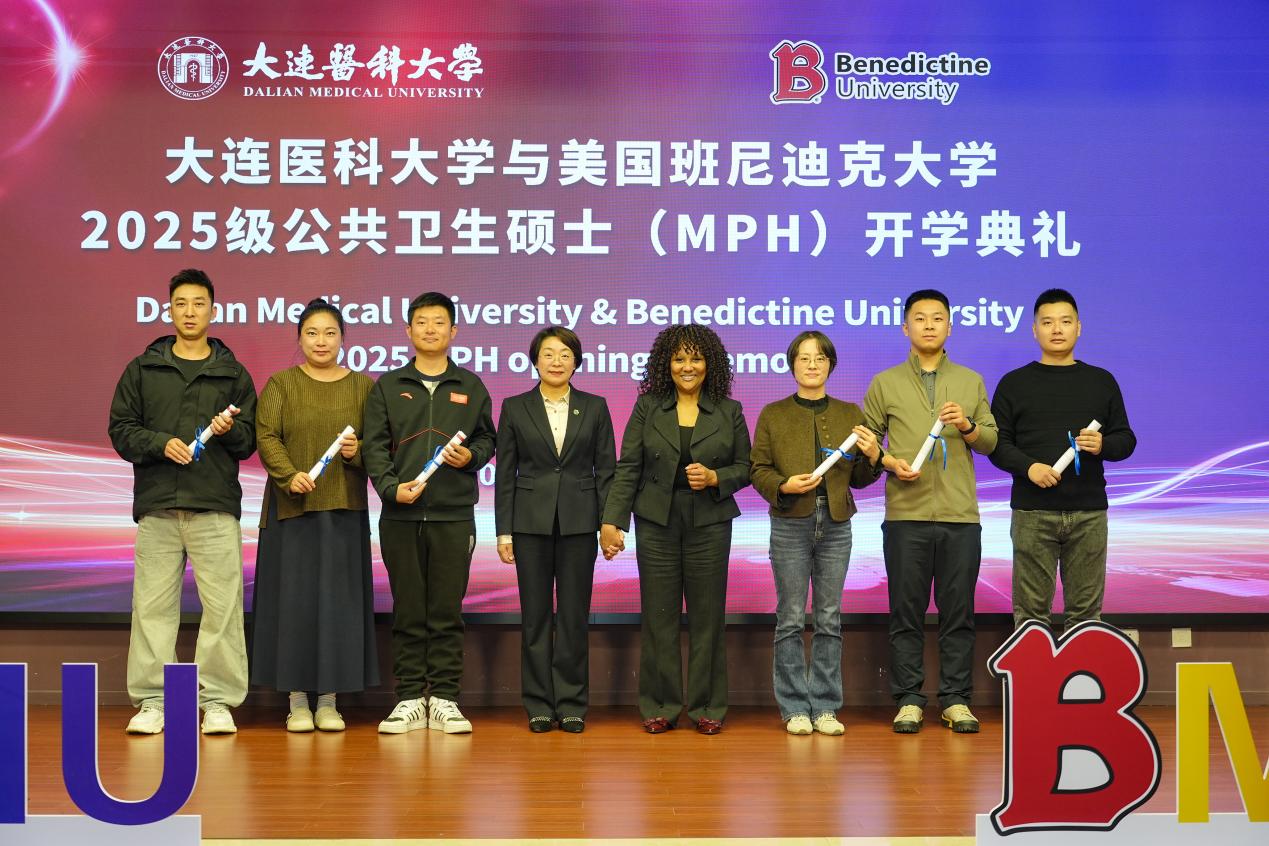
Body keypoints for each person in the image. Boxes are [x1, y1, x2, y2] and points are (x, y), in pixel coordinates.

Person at [108, 268, 256, 735]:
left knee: (223, 610)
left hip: (214, 505)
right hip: (158, 506)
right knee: (152, 610)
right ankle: (154, 702)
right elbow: (121, 430)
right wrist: (159, 443)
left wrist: (229, 432)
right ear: (169, 309)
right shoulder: (142, 369)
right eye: (181, 303)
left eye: (199, 304)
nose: (190, 312)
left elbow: (249, 441)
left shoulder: (233, 372)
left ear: (213, 310)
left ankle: (218, 702)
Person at [601, 324, 751, 735]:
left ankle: (708, 706)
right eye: (679, 358)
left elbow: (746, 467)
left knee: (707, 617)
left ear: (710, 364)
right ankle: (660, 705)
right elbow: (628, 467)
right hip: (656, 521)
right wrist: (612, 521)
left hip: (710, 522)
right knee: (659, 616)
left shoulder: (729, 410)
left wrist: (717, 477)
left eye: (696, 358)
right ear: (665, 364)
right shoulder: (648, 407)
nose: (688, 366)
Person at [862, 289, 997, 735]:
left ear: (950, 327)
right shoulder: (884, 383)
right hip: (906, 515)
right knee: (906, 612)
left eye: (937, 318)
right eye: (919, 318)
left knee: (959, 613)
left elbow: (991, 441)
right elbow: (866, 442)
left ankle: (956, 699)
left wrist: (968, 426)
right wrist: (887, 461)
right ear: (906, 327)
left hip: (960, 516)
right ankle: (908, 699)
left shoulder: (971, 381)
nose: (929, 325)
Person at [362, 292, 495, 735]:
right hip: (400, 516)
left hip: (454, 516)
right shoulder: (388, 385)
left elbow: (487, 440)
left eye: (439, 322)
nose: (430, 329)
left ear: (453, 331)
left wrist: (471, 457)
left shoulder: (470, 386)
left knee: (445, 610)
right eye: (422, 322)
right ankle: (408, 699)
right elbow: (374, 447)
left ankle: (444, 698)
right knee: (408, 609)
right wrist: (389, 489)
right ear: (408, 329)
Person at [250, 298, 379, 732]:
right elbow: (267, 436)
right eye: (311, 333)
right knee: (294, 607)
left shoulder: (363, 387)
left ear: (343, 338)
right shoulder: (282, 384)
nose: (321, 341)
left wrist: (358, 451)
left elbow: (379, 445)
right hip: (292, 511)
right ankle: (297, 701)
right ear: (299, 338)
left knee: (338, 607)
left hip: (343, 511)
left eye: (330, 333)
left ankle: (328, 700)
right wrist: (289, 475)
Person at [750, 331, 882, 736]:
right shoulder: (772, 413)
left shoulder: (850, 413)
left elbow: (860, 478)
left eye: (820, 358)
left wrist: (874, 456)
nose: (812, 364)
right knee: (790, 617)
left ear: (830, 365)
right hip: (790, 522)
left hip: (837, 523)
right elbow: (758, 470)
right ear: (792, 364)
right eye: (804, 358)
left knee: (828, 617)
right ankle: (794, 708)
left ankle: (825, 706)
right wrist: (784, 485)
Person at [989, 288, 1136, 631]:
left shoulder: (1102, 381)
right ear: (1034, 329)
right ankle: (1031, 669)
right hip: (1032, 513)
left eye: (1065, 321)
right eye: (1047, 322)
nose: (1057, 329)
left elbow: (1126, 440)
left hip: (1088, 513)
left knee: (1086, 618)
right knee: (1031, 618)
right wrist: (1029, 467)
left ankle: (1081, 669)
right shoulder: (1014, 383)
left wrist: (1102, 444)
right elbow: (997, 445)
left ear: (1078, 327)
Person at [495, 327, 616, 733]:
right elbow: (506, 475)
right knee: (535, 618)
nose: (556, 361)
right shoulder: (515, 407)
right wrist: (504, 532)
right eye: (548, 354)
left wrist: (608, 523)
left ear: (577, 361)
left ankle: (571, 703)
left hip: (580, 524)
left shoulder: (594, 407)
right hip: (529, 524)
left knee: (573, 617)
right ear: (535, 360)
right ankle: (538, 704)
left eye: (565, 354)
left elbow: (606, 472)